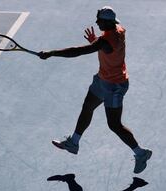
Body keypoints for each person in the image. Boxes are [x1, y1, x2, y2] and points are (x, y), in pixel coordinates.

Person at [38, 6, 152, 174]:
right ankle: (74, 142)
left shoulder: (105, 41)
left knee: (114, 125)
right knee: (88, 107)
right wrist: (95, 41)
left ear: (107, 22)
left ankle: (141, 153)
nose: (96, 22)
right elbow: (101, 45)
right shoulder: (118, 29)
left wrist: (52, 53)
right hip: (102, 80)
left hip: (114, 86)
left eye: (99, 20)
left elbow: (78, 52)